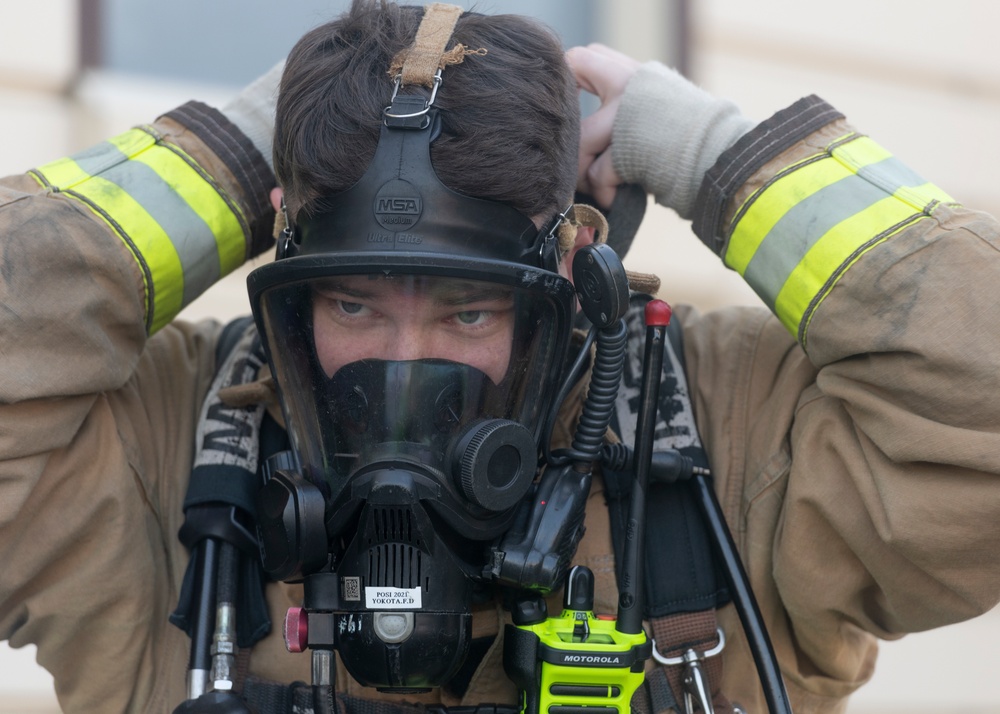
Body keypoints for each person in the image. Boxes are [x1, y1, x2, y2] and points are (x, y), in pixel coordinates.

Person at [1, 2, 999, 714]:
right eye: (352, 303)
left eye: (467, 315)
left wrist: (719, 157)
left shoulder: (728, 438)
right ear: (290, 272)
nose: (404, 360)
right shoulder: (163, 443)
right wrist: (240, 150)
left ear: (570, 276)